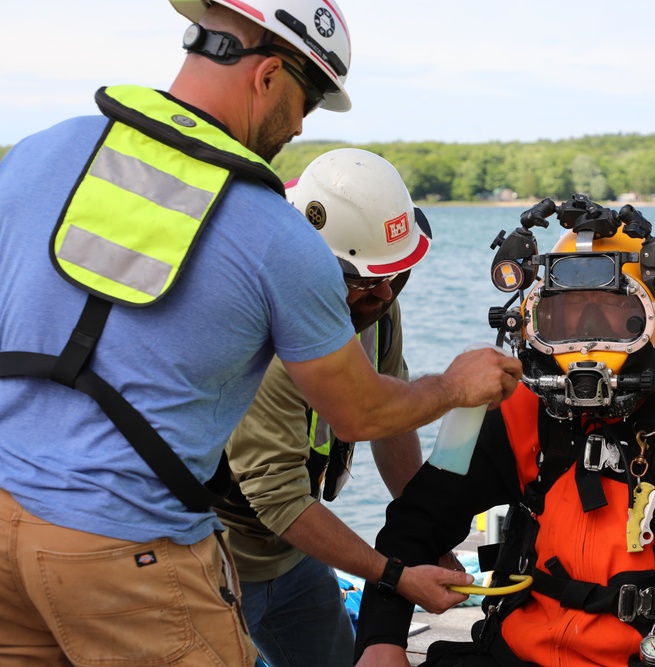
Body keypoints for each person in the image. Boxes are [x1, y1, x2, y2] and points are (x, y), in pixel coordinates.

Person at [0, 2, 520, 664]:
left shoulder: (44, 150)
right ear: (269, 75)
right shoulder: (272, 232)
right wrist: (451, 387)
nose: (301, 124)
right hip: (125, 546)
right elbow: (360, 410)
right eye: (306, 100)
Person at [354, 194, 655, 667]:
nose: (587, 340)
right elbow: (417, 519)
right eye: (565, 319)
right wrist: (380, 640)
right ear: (533, 321)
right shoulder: (518, 408)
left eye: (612, 316)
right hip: (515, 650)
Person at [217, 147, 455, 666]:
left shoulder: (376, 310)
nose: (385, 293)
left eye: (398, 274)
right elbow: (278, 500)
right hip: (213, 561)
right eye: (364, 282)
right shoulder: (267, 341)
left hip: (290, 555)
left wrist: (426, 533)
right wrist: (397, 575)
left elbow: (391, 420)